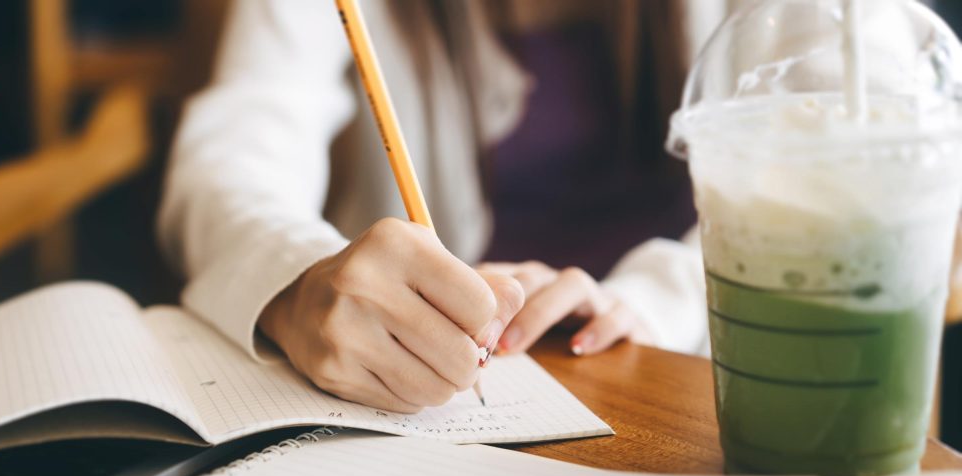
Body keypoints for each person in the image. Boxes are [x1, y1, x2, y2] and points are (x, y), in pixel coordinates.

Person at [159, 0, 728, 412]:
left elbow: (807, 180)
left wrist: (650, 303)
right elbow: (235, 151)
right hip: (445, 382)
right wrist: (299, 281)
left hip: (695, 367)